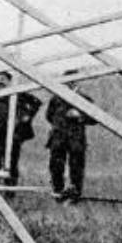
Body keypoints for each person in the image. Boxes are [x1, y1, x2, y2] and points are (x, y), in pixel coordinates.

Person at [0, 71, 41, 189]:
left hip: (12, 137)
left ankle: (10, 192)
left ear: (9, 81)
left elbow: (36, 103)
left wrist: (25, 117)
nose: (0, 81)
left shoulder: (17, 95)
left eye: (3, 78)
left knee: (11, 164)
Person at [45, 72, 97, 202]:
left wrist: (79, 117)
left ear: (77, 82)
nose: (69, 84)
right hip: (58, 138)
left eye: (72, 81)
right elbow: (49, 116)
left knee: (76, 168)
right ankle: (58, 193)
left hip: (76, 139)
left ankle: (75, 196)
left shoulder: (84, 98)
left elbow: (94, 118)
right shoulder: (56, 98)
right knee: (56, 167)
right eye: (67, 81)